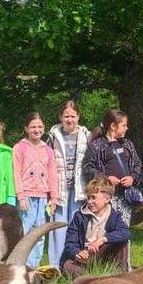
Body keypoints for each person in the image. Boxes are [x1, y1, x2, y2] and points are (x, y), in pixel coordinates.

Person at [46, 99, 91, 267]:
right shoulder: (53, 136)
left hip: (80, 188)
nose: (69, 120)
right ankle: (55, 266)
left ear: (78, 117)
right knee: (57, 227)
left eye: (73, 116)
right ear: (61, 117)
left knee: (76, 225)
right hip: (59, 188)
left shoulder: (86, 135)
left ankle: (73, 264)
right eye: (66, 116)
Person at [13, 112, 59, 267]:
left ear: (44, 128)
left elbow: (53, 175)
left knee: (39, 233)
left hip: (43, 198)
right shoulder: (19, 148)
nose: (36, 130)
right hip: (26, 196)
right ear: (26, 128)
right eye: (33, 126)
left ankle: (34, 266)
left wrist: (54, 198)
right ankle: (21, 265)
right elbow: (16, 174)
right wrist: (21, 196)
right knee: (25, 232)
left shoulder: (48, 150)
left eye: (40, 126)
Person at [85, 109, 143, 227]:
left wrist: (132, 178)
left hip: (124, 197)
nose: (126, 128)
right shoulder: (97, 145)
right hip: (105, 196)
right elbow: (88, 168)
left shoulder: (127, 144)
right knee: (105, 228)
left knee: (123, 228)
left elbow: (137, 165)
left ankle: (124, 246)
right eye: (124, 125)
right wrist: (106, 178)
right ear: (113, 126)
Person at [60, 178, 131, 277]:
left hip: (102, 254)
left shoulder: (114, 216)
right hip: (84, 258)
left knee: (122, 242)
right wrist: (77, 253)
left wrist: (103, 239)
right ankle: (89, 279)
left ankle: (119, 276)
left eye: (93, 197)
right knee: (68, 266)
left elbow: (126, 233)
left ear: (107, 199)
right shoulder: (79, 216)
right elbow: (69, 243)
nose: (90, 201)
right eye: (88, 198)